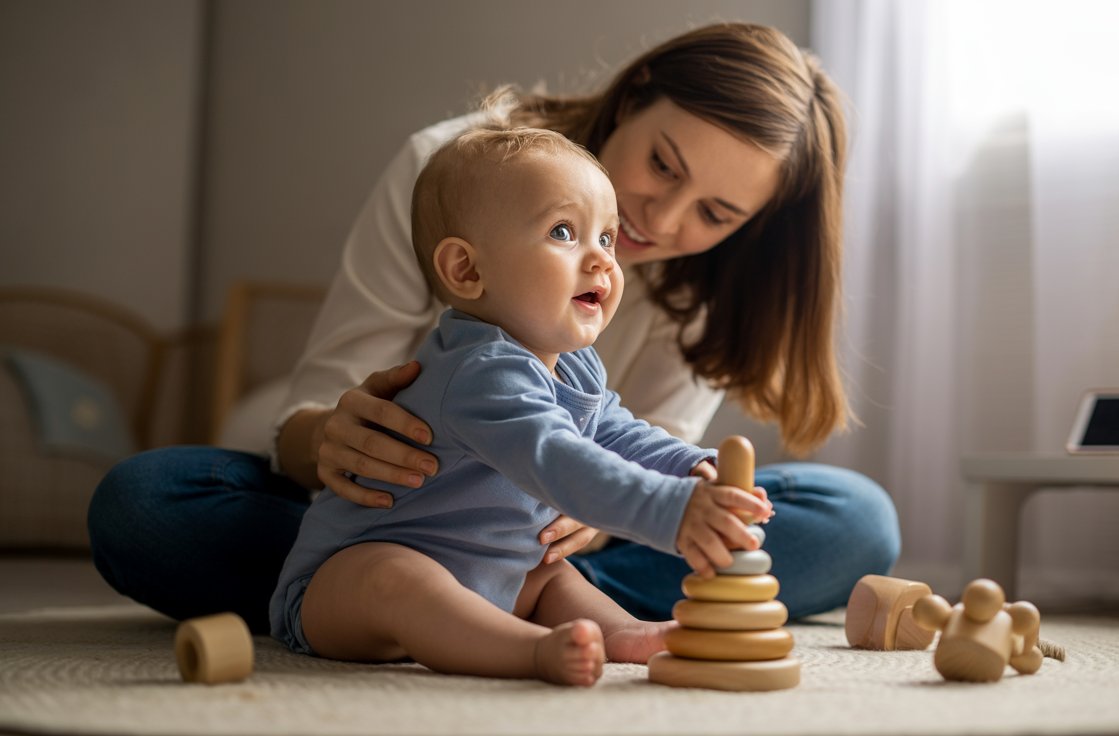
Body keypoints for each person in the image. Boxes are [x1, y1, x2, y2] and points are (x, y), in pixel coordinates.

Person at [88, 22, 901, 633]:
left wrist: (636, 502)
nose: (659, 218)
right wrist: (328, 438)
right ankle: (392, 591)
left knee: (854, 519)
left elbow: (627, 446)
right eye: (662, 165)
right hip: (389, 513)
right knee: (148, 503)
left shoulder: (716, 282)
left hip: (551, 541)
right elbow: (310, 417)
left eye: (716, 213)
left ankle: (452, 605)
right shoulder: (449, 170)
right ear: (635, 92)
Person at [271, 125, 772, 685]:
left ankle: (622, 630)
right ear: (467, 270)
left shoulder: (572, 361)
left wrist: (689, 466)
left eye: (606, 239)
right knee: (398, 577)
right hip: (342, 584)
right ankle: (529, 651)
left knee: (553, 574)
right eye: (564, 233)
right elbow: (556, 458)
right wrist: (672, 510)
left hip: (496, 573)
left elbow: (618, 432)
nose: (603, 261)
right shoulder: (480, 371)